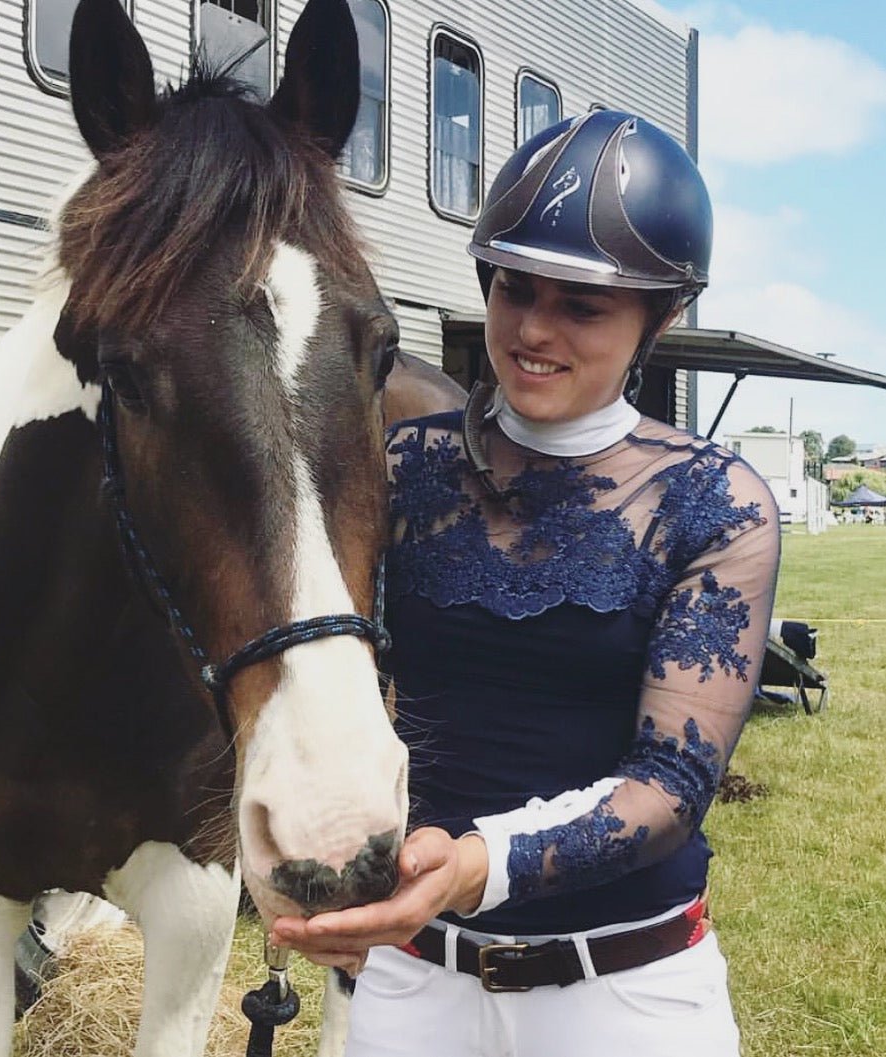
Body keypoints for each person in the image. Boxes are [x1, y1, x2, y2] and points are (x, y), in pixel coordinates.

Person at [271, 109, 780, 1057]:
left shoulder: (713, 503)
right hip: (412, 982)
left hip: (624, 992)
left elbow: (670, 782)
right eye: (514, 289)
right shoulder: (401, 466)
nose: (533, 330)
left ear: (658, 316)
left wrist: (473, 864)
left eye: (581, 305)